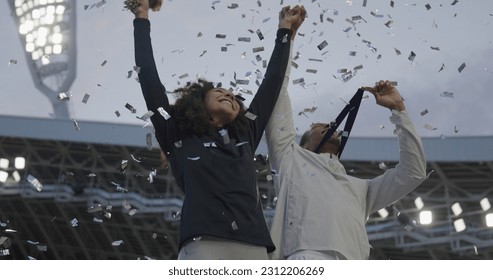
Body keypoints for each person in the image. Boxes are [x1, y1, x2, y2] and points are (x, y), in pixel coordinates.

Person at [130, 0, 305, 259]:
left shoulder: (245, 133)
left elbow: (272, 84)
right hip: (202, 243)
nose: (229, 94)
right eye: (219, 92)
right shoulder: (176, 133)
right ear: (199, 104)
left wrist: (285, 31)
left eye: (234, 96)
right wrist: (141, 16)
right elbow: (149, 79)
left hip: (254, 245)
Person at [265, 74, 427, 259]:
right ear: (304, 146)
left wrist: (398, 110)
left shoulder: (363, 188)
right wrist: (286, 46)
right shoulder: (291, 159)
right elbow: (278, 102)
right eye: (319, 126)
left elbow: (413, 172)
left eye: (332, 125)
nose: (330, 125)